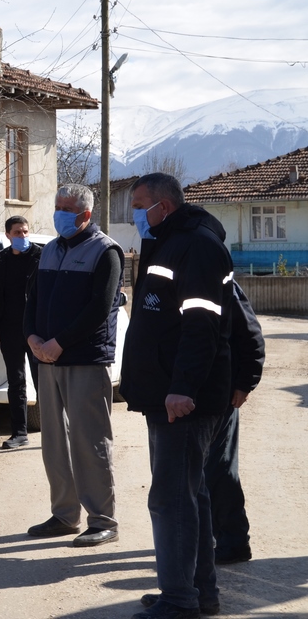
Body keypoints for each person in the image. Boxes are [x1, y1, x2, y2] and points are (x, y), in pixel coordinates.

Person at [121, 172, 234, 619]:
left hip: (183, 400)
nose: (135, 213)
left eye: (139, 204)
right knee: (191, 495)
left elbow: (201, 327)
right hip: (166, 394)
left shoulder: (197, 246)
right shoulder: (168, 241)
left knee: (171, 500)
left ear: (163, 207)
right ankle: (197, 592)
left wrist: (182, 388)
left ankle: (179, 600)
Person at [24, 184, 123, 548]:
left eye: (68, 208)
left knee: (90, 441)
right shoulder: (50, 249)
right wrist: (32, 338)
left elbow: (99, 308)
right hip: (46, 358)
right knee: (53, 441)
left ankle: (102, 520)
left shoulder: (106, 252)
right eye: (58, 206)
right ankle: (65, 514)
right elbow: (32, 301)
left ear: (86, 214)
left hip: (83, 360)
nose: (60, 213)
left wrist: (59, 343)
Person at [206, 280, 264, 565]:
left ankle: (233, 541)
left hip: (220, 392)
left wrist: (245, 382)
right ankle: (206, 537)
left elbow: (251, 334)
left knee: (219, 469)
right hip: (181, 394)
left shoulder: (216, 275)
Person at [0, 216, 42, 449]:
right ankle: (19, 433)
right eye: (17, 233)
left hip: (37, 330)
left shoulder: (41, 256)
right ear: (8, 235)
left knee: (45, 383)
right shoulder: (1, 260)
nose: (22, 236)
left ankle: (56, 430)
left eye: (25, 232)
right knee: (16, 382)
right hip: (10, 330)